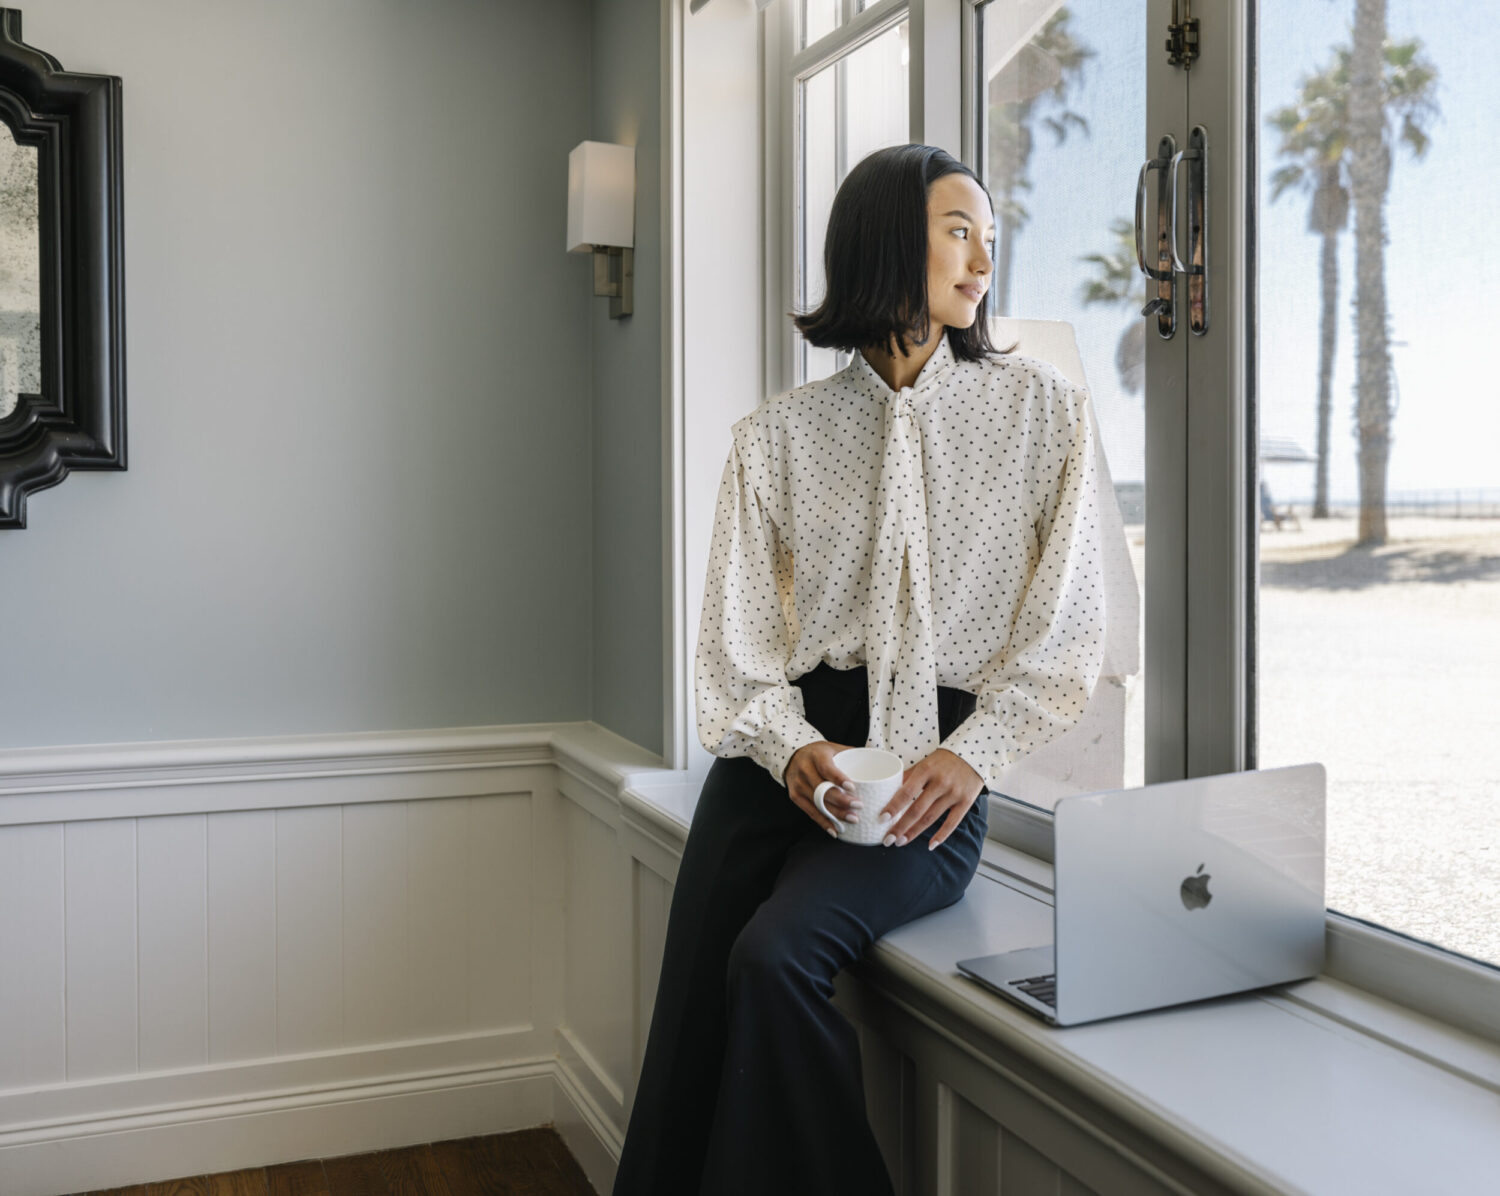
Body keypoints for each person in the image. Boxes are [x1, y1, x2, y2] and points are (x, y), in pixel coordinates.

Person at [611, 143, 1108, 1196]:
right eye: (957, 229)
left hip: (931, 771)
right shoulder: (775, 438)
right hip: (785, 761)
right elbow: (734, 650)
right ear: (889, 236)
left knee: (773, 958)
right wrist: (791, 746)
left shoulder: (1044, 413)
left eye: (988, 234)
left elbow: (1064, 637)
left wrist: (972, 756)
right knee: (698, 997)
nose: (982, 260)